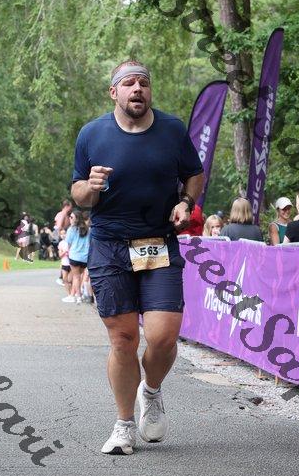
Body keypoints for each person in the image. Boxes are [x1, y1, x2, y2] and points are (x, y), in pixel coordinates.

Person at [71, 60, 204, 455]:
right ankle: (124, 425)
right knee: (123, 340)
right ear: (114, 92)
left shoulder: (172, 129)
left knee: (162, 336)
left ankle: (152, 389)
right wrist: (91, 186)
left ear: (149, 91)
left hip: (158, 242)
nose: (137, 89)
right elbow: (78, 193)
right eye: (128, 83)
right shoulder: (92, 134)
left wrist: (186, 202)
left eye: (143, 83)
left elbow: (194, 173)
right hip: (109, 245)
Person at [62, 209, 90, 304]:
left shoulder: (72, 229)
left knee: (76, 277)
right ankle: (73, 295)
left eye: (71, 217)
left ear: (76, 218)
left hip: (74, 256)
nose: (70, 218)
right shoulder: (88, 229)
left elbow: (68, 244)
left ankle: (78, 297)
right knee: (78, 277)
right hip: (85, 258)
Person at [57, 229, 71, 294]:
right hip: (64, 263)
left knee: (70, 280)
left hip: (71, 263)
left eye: (64, 233)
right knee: (65, 280)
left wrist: (68, 253)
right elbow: (60, 255)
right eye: (61, 234)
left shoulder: (70, 242)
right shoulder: (61, 243)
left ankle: (73, 294)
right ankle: (69, 294)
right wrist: (65, 252)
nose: (63, 235)